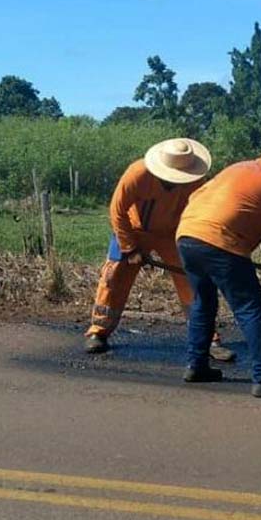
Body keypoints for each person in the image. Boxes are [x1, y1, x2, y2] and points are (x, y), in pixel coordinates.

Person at [175, 143, 261, 398]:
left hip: (187, 234)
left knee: (203, 304)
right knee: (251, 308)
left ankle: (197, 365)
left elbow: (196, 197)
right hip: (220, 241)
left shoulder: (239, 167)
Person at [85, 137, 235, 362]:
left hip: (174, 234)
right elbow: (117, 211)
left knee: (193, 282)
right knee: (113, 277)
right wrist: (129, 247)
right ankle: (98, 332)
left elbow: (204, 211)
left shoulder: (197, 181)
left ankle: (208, 339)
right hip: (133, 230)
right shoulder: (137, 174)